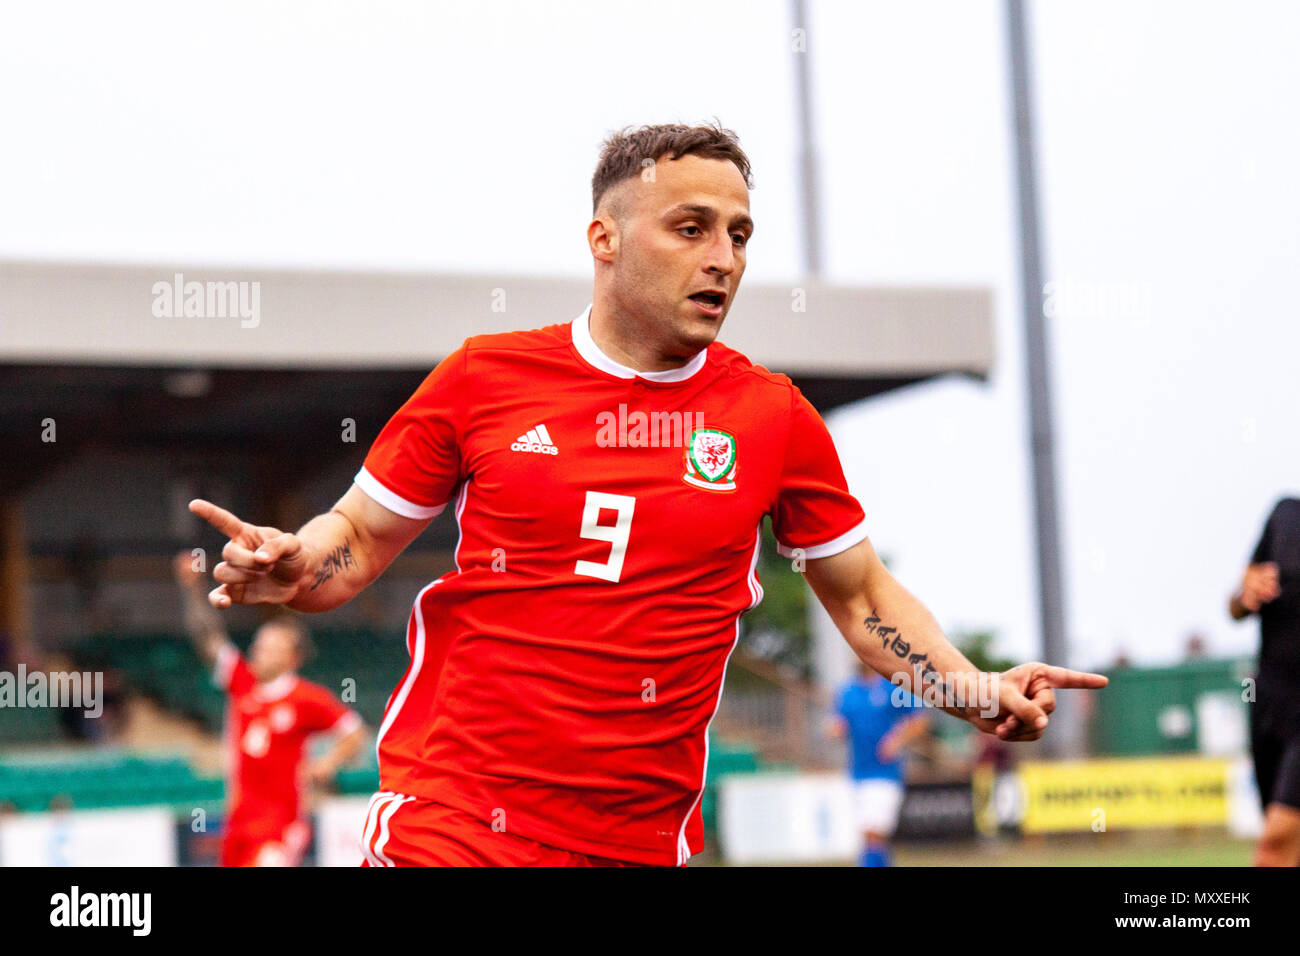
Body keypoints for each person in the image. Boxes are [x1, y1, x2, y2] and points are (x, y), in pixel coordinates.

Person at [187, 122, 1107, 867]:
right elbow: (354, 538)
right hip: (458, 814)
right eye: (692, 227)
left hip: (637, 839)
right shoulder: (484, 379)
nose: (723, 258)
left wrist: (967, 686)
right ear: (605, 238)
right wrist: (296, 561)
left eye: (740, 235)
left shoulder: (772, 416)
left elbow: (862, 597)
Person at [174, 551, 365, 867]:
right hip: (238, 823)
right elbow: (207, 639)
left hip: (280, 825)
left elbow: (354, 731)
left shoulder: (306, 698)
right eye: (259, 644)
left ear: (292, 658)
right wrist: (193, 589)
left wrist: (328, 762)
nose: (258, 650)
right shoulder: (242, 682)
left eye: (269, 646)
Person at [1229, 496, 1300, 866]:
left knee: (1275, 842)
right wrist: (1245, 594)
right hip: (1268, 702)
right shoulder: (1285, 514)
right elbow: (1236, 606)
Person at [827, 662, 928, 866]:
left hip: (885, 772)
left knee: (873, 832)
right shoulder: (848, 691)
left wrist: (897, 740)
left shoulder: (893, 688)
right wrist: (835, 730)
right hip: (858, 772)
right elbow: (838, 724)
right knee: (870, 837)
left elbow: (919, 721)